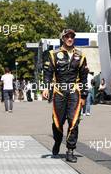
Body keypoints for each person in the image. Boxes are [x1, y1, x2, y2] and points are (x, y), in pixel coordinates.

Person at [42, 29, 88, 163]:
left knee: (74, 121)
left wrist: (84, 96)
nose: (70, 39)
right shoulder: (53, 54)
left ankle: (70, 150)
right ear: (62, 38)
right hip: (59, 92)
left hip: (74, 92)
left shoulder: (80, 55)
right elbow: (48, 73)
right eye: (67, 36)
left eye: (72, 37)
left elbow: (84, 78)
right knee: (58, 122)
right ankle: (57, 141)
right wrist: (46, 88)